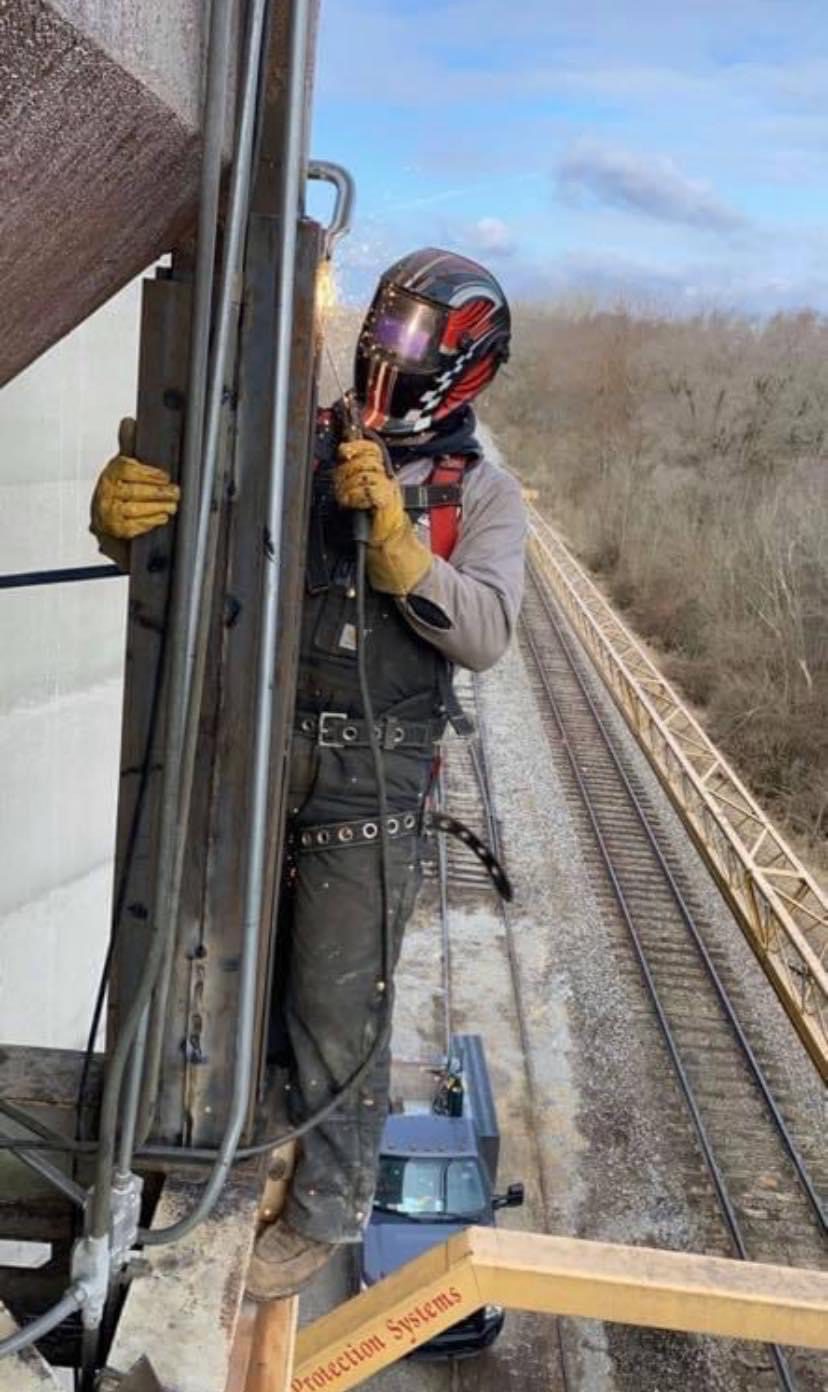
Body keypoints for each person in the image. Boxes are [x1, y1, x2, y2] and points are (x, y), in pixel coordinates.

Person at [90, 247, 527, 1298]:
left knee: (338, 1008)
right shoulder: (298, 437)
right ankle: (217, 1141)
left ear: (463, 362)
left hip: (372, 783)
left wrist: (402, 552)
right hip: (254, 737)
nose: (389, 350)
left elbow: (487, 631)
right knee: (212, 964)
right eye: (385, 324)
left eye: (415, 337)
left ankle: (327, 1211)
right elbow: (210, 535)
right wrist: (128, 525)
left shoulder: (483, 492)